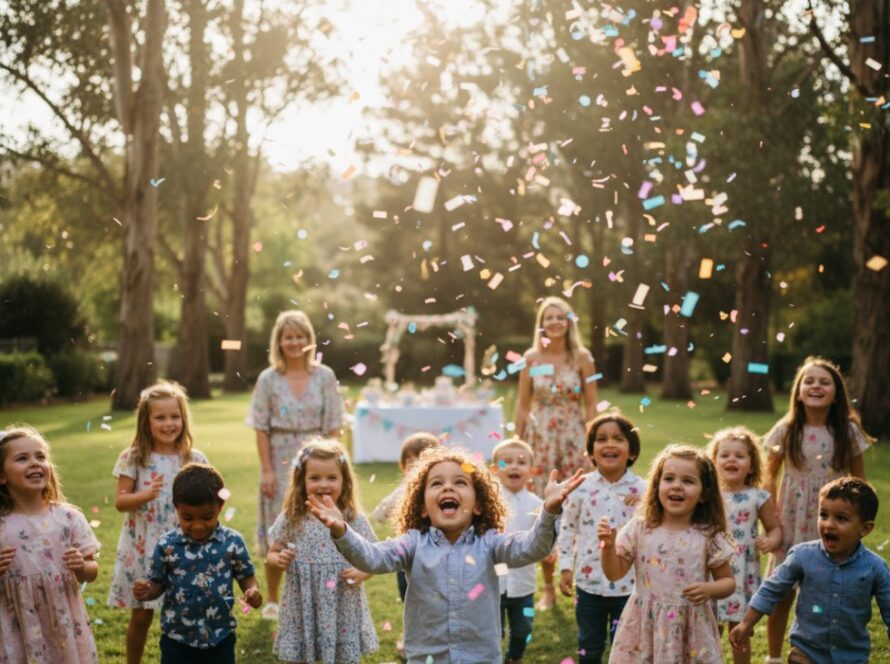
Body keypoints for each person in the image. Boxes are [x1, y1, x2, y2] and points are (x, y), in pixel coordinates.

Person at [308, 445, 585, 663]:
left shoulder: (490, 543)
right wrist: (342, 530)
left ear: (478, 505)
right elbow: (372, 558)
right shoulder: (412, 544)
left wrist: (549, 512)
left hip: (480, 659)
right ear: (423, 508)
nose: (448, 488)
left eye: (460, 483)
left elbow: (531, 547)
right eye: (437, 483)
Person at [762, 356, 872, 662]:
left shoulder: (847, 430)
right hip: (792, 519)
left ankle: (817, 652)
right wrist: (772, 521)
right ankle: (773, 656)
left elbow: (859, 479)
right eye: (809, 381)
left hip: (832, 520)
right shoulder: (787, 429)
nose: (816, 386)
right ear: (798, 392)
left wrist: (859, 517)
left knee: (825, 586)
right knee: (783, 588)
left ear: (836, 393)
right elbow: (768, 477)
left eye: (824, 382)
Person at [246, 309, 344, 618]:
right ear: (279, 340)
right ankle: (273, 599)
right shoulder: (269, 379)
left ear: (309, 340)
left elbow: (333, 425)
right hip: (280, 458)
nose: (294, 342)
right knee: (281, 529)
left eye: (300, 336)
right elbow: (260, 426)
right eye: (288, 336)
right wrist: (266, 470)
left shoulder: (324, 376)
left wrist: (335, 467)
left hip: (319, 460)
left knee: (318, 526)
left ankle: (320, 598)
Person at [730, 477, 890, 663]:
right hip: (806, 652)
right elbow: (771, 589)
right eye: (823, 515)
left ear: (865, 529)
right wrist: (747, 623)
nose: (829, 524)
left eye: (841, 518)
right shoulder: (802, 556)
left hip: (851, 656)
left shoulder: (874, 567)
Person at [599, 444, 736, 663]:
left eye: (688, 481)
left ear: (704, 494)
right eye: (669, 478)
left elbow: (728, 582)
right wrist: (607, 547)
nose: (677, 486)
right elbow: (614, 573)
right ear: (656, 485)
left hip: (691, 629)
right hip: (644, 626)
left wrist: (710, 589)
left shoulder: (708, 535)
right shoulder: (640, 528)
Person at [107, 381, 208, 664]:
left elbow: (216, 492)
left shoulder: (194, 458)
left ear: (183, 419)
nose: (168, 423)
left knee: (187, 612)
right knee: (141, 615)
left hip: (185, 547)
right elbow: (120, 502)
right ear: (146, 421)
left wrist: (220, 498)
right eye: (160, 417)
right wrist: (146, 494)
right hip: (145, 547)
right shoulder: (134, 458)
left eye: (174, 416)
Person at [514, 296, 598, 609]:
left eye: (560, 317)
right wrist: (519, 444)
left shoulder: (582, 357)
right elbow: (523, 404)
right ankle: (548, 586)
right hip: (541, 439)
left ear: (569, 322)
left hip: (574, 438)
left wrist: (592, 444)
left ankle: (581, 580)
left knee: (579, 506)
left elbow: (591, 404)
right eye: (548, 317)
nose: (554, 322)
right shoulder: (531, 358)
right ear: (542, 323)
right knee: (544, 511)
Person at [133, 463, 262, 664]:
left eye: (207, 517)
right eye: (187, 518)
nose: (198, 525)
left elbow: (247, 576)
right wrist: (146, 590)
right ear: (176, 507)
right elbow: (157, 584)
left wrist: (253, 591)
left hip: (220, 637)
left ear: (220, 507)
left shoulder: (232, 542)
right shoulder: (167, 545)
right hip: (177, 640)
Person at [265, 439, 378, 663]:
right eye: (315, 478)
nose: (323, 484)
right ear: (302, 480)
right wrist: (278, 559)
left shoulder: (352, 517)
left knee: (341, 657)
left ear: (344, 481)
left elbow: (374, 557)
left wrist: (361, 573)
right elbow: (271, 553)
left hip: (341, 598)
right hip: (302, 598)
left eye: (331, 477)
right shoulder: (293, 516)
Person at [0, 426, 100, 663]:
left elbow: (91, 572)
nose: (35, 463)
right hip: (15, 623)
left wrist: (81, 567)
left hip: (63, 621)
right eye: (22, 458)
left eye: (41, 457)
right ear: (1, 476)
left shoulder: (68, 517)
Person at [557, 412, 646, 664]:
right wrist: (565, 568)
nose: (609, 444)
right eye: (601, 439)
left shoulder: (644, 490)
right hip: (589, 585)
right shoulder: (581, 487)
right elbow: (567, 528)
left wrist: (645, 507)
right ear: (591, 452)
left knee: (627, 647)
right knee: (589, 644)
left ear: (631, 452)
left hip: (629, 586)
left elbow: (658, 527)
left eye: (618, 439)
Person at [707, 426, 782, 664]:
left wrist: (770, 540)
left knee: (740, 630)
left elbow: (774, 527)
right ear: (713, 462)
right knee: (710, 630)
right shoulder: (707, 494)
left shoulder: (757, 497)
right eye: (725, 455)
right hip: (712, 570)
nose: (732, 460)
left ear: (751, 465)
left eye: (739, 456)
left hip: (743, 573)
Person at [369, 431, 439, 659]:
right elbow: (382, 510)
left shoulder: (437, 488)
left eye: (423, 460)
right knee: (409, 594)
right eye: (411, 461)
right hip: (407, 554)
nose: (416, 466)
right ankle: (409, 632)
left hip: (435, 551)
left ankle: (435, 634)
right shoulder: (403, 490)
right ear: (402, 465)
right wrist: (379, 514)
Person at [490, 438, 544, 664]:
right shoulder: (488, 501)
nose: (513, 466)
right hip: (492, 581)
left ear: (531, 471)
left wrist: (551, 548)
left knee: (523, 628)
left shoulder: (536, 503)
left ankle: (514, 658)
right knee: (494, 631)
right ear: (494, 470)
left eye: (521, 462)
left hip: (524, 583)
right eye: (506, 462)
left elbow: (548, 531)